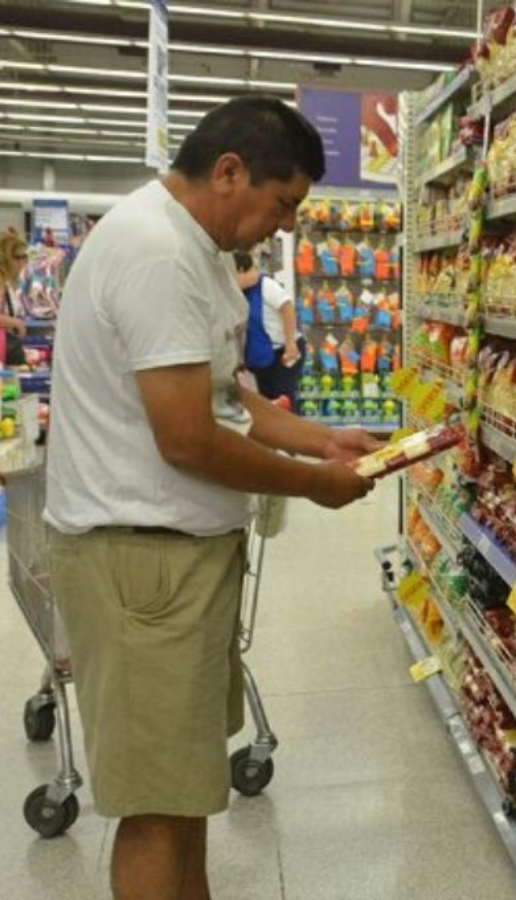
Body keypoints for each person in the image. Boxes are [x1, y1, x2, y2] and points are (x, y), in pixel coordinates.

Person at [44, 96, 380, 900]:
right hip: (141, 568)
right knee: (157, 809)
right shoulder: (157, 252)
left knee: (184, 792)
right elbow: (188, 438)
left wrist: (324, 441)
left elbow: (231, 399)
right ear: (229, 171)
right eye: (284, 202)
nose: (285, 225)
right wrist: (313, 486)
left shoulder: (193, 251)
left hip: (171, 567)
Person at [233, 250, 304, 408]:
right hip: (262, 354)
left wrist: (290, 343)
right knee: (267, 402)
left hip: (284, 350)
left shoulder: (266, 285)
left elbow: (287, 308)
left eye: (233, 276)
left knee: (283, 398)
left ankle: (288, 431)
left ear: (241, 271)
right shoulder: (241, 292)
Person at [0, 229, 30, 365]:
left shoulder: (8, 282)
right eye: (18, 258)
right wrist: (15, 323)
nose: (22, 262)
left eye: (25, 257)